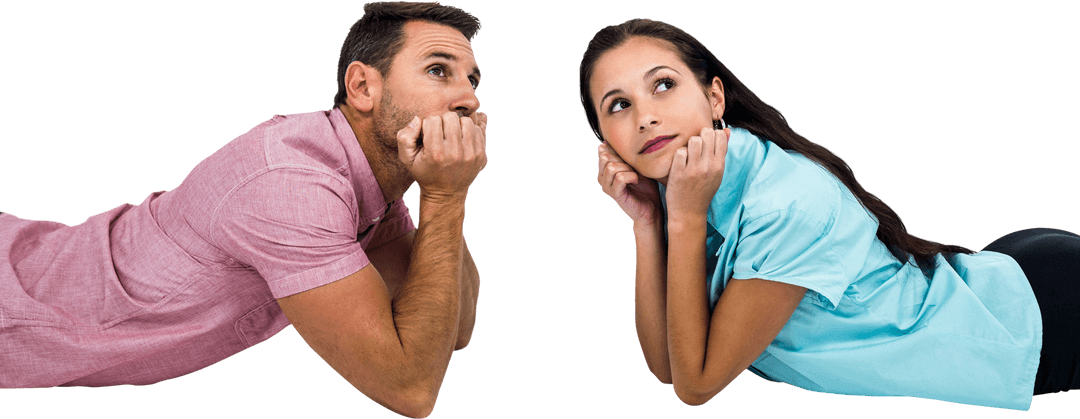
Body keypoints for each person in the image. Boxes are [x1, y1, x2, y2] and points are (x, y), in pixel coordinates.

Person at [0, 2, 485, 417]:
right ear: (362, 87)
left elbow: (452, 331)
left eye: (473, 80)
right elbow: (410, 389)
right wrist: (445, 197)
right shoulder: (291, 187)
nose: (468, 99)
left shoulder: (369, 184)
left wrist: (445, 191)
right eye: (438, 70)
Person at [580, 18, 1080, 411]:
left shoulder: (785, 203)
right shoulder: (688, 181)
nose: (644, 115)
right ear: (606, 139)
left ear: (714, 97)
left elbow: (697, 384)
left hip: (1040, 317)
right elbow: (669, 364)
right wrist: (646, 223)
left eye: (662, 85)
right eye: (618, 105)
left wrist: (682, 223)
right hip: (993, 279)